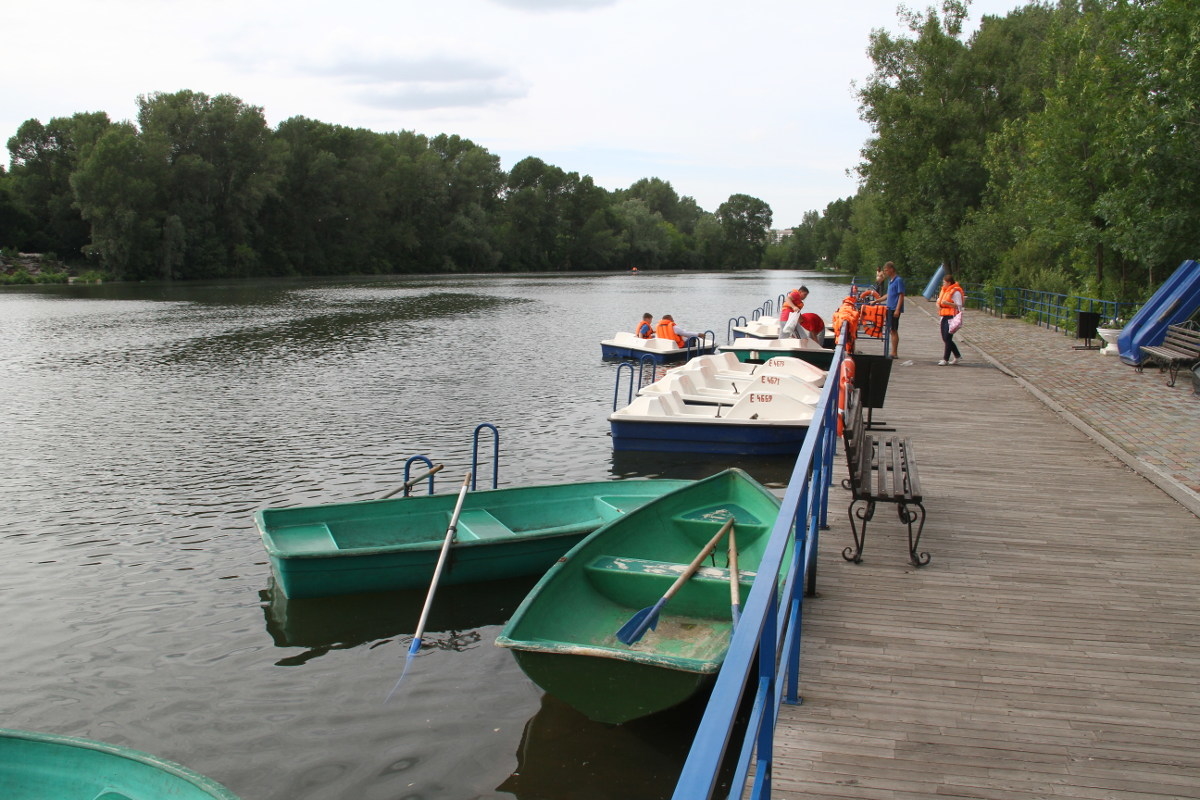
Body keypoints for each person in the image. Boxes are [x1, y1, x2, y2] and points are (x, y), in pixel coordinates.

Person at [936, 273, 966, 365]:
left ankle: (945, 359)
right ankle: (957, 356)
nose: (943, 284)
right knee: (945, 338)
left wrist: (948, 303)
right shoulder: (944, 290)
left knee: (948, 337)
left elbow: (959, 305)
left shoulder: (955, 292)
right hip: (944, 316)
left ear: (949, 283)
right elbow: (939, 301)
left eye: (944, 282)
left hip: (952, 316)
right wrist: (938, 305)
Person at [883, 261, 905, 357]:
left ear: (892, 269)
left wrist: (897, 309)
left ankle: (894, 352)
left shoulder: (898, 280)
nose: (886, 272)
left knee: (894, 330)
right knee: (891, 330)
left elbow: (901, 295)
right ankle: (892, 351)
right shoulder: (890, 281)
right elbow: (888, 295)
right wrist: (877, 301)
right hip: (889, 308)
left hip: (894, 308)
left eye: (887, 270)